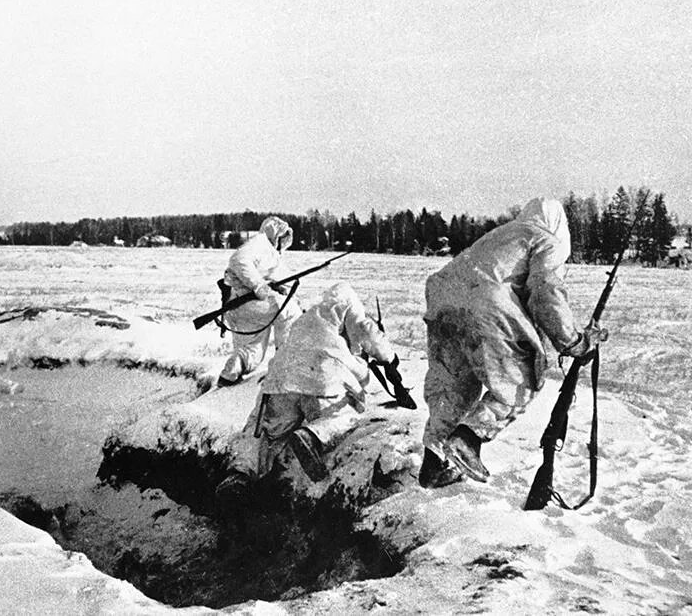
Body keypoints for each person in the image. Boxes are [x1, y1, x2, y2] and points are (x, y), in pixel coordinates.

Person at [419, 197, 608, 488]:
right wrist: (575, 343)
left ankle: (433, 464)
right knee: (519, 380)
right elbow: (546, 294)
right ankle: (468, 440)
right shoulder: (546, 240)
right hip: (484, 302)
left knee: (452, 386)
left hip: (442, 300)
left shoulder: (502, 234)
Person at [216, 282, 397, 499]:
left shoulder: (306, 317)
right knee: (344, 417)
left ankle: (240, 475)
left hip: (281, 382)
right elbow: (368, 332)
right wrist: (389, 359)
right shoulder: (350, 306)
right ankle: (312, 435)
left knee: (264, 430)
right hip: (322, 380)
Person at [216, 216, 303, 386]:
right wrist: (259, 287)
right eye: (282, 236)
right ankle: (285, 366)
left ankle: (232, 370)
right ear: (275, 233)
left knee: (253, 351)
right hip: (248, 302)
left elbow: (281, 280)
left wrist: (284, 291)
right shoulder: (260, 243)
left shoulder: (271, 253)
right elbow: (238, 261)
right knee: (290, 313)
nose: (283, 241)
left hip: (241, 308)